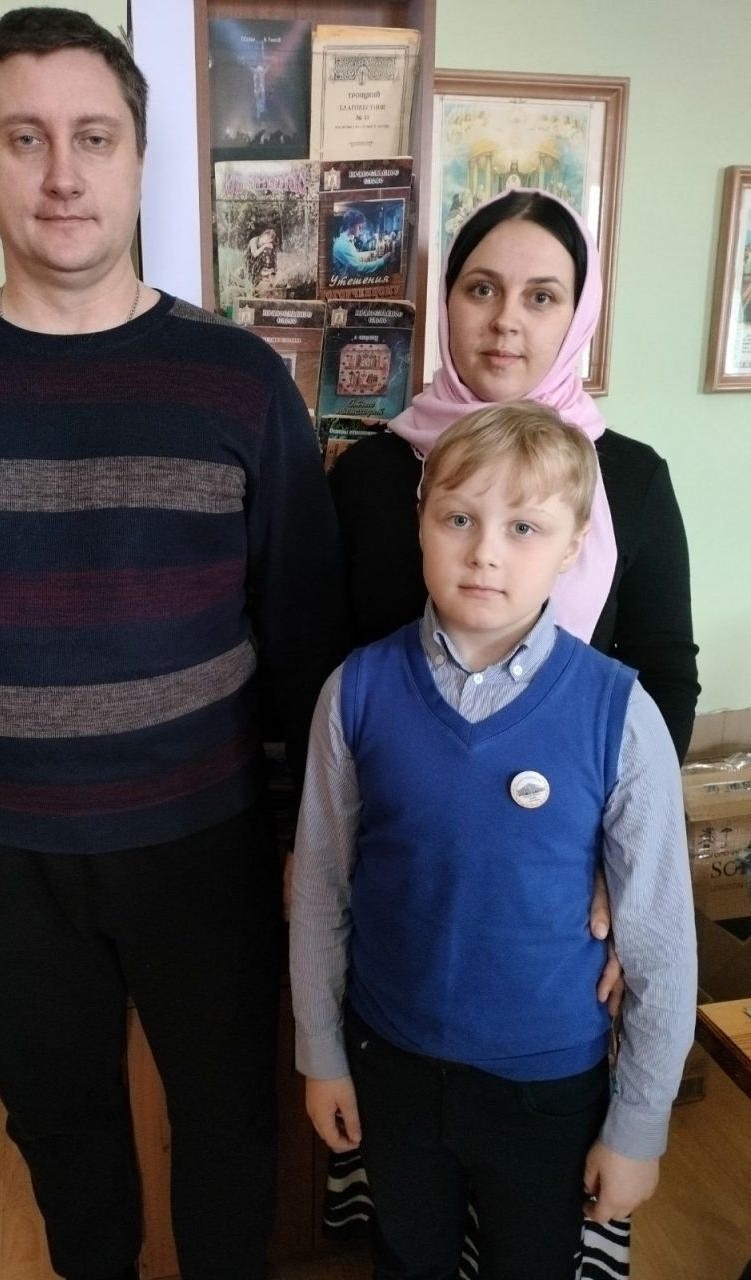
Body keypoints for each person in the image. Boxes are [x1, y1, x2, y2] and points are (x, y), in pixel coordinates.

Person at [0, 9, 346, 1280]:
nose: (63, 173)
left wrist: (308, 835)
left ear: (138, 155)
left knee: (229, 1120)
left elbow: (307, 631)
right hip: (6, 855)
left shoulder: (239, 381)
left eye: (94, 137)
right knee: (61, 1130)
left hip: (210, 841)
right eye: (26, 138)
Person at [290, 402, 697, 1280]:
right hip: (391, 1062)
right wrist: (320, 1052)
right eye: (459, 519)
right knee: (407, 1258)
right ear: (422, 522)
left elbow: (660, 940)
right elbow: (321, 889)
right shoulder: (354, 693)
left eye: (524, 527)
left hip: (545, 1085)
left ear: (574, 544)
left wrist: (639, 1126)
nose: (484, 552)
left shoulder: (620, 713)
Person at [330, 188, 699, 762]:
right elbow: (325, 658)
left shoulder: (632, 479)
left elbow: (664, 675)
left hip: (576, 797)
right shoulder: (365, 475)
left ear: (578, 317)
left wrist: (622, 801)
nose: (505, 321)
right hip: (393, 795)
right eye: (482, 289)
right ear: (446, 300)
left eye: (541, 297)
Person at [332, 209, 390, 278]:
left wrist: (371, 254)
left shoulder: (346, 240)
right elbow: (359, 268)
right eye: (359, 227)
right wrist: (382, 261)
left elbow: (353, 256)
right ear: (350, 226)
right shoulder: (343, 244)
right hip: (344, 281)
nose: (361, 229)